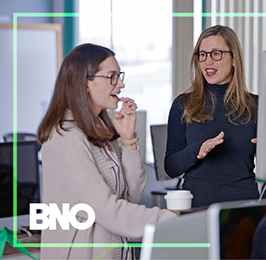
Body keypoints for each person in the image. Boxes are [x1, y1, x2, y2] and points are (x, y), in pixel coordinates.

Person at [36, 43, 177, 259]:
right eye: (112, 76)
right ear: (84, 83)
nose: (121, 84)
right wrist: (171, 220)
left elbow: (130, 196)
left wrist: (128, 141)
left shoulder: (100, 130)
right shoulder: (65, 137)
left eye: (119, 75)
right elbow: (107, 210)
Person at [164, 25, 259, 207]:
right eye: (203, 54)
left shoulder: (256, 106)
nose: (208, 62)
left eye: (216, 54)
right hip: (197, 208)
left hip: (244, 209)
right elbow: (171, 167)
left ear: (233, 59)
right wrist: (196, 150)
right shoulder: (183, 104)